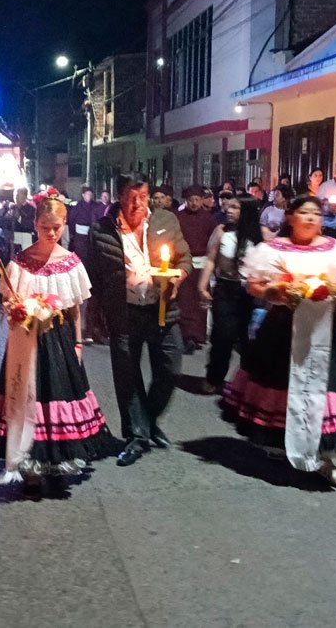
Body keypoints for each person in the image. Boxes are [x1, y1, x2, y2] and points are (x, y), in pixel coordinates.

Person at [221, 195, 336, 487]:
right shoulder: (271, 249)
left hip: (323, 333)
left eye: (316, 214)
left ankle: (322, 457)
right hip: (282, 330)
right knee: (282, 388)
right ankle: (282, 442)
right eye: (303, 212)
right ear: (289, 217)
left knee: (322, 390)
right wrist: (276, 291)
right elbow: (254, 285)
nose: (310, 218)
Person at [0, 195, 113, 493]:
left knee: (56, 396)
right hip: (25, 342)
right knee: (26, 398)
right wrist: (15, 310)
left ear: (64, 225)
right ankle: (29, 465)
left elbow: (75, 309)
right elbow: (8, 301)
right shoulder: (20, 263)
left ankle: (57, 458)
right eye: (45, 227)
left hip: (59, 342)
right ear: (35, 225)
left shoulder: (71, 263)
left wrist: (78, 343)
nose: (51, 233)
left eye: (56, 227)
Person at [86, 180, 191, 467]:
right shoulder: (102, 229)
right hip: (124, 311)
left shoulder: (165, 220)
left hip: (161, 309)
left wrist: (179, 276)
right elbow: (93, 275)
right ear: (120, 197)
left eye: (143, 196)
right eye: (131, 197)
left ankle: (148, 420)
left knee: (170, 367)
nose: (138, 203)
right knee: (127, 375)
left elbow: (184, 258)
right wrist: (93, 315)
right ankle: (137, 436)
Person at [199, 193, 262, 394]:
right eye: (229, 207)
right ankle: (215, 376)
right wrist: (202, 286)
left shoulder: (261, 235)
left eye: (236, 208)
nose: (229, 210)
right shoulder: (221, 231)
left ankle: (247, 383)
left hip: (250, 293)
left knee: (248, 340)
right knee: (222, 336)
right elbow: (210, 260)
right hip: (225, 290)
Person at [176, 185, 215, 354]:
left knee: (199, 301)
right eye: (191, 200)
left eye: (197, 200)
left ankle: (198, 335)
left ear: (201, 201)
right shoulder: (179, 217)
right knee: (185, 300)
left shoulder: (209, 219)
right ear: (186, 201)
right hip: (185, 263)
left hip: (202, 265)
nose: (194, 203)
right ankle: (187, 335)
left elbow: (213, 242)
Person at [67, 185, 106, 343]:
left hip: (89, 236)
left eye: (91, 194)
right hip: (80, 237)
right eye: (87, 194)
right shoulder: (78, 207)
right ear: (83, 195)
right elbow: (71, 220)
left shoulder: (94, 207)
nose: (89, 197)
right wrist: (74, 236)